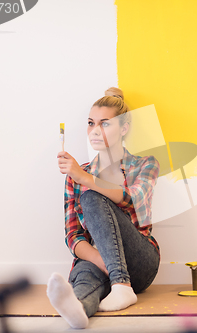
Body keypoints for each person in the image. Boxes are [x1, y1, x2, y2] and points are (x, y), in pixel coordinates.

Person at [47, 87, 161, 329]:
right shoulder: (76, 175)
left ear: (123, 128)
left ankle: (122, 286)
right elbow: (73, 236)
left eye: (105, 124)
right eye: (91, 123)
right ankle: (77, 308)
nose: (95, 131)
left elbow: (134, 199)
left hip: (139, 262)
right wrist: (102, 261)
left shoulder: (145, 164)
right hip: (100, 259)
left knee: (91, 198)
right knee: (85, 277)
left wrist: (85, 178)